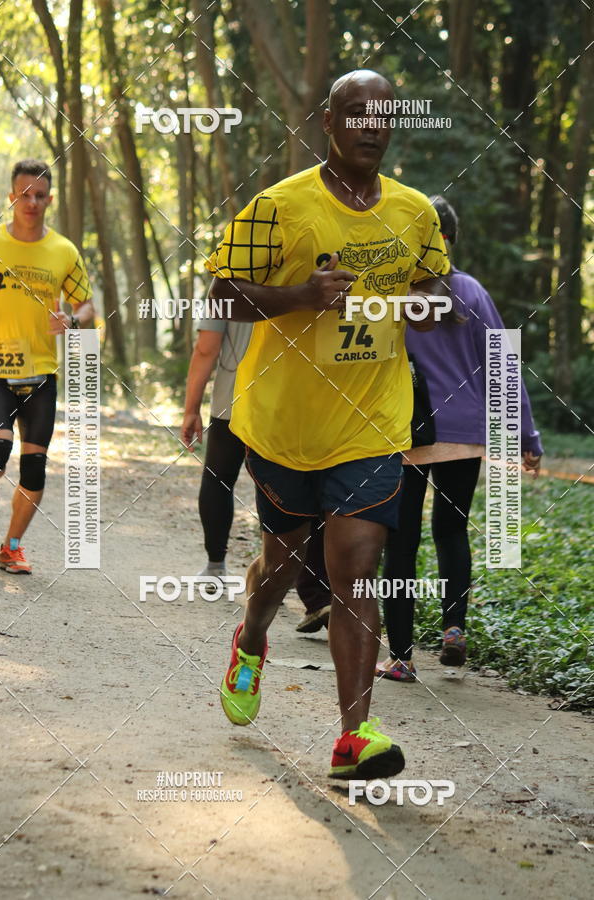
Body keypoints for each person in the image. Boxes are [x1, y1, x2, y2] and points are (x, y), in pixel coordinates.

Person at [205, 69, 451, 780]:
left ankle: (354, 739)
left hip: (372, 422)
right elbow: (221, 296)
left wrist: (422, 306)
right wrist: (300, 296)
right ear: (328, 123)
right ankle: (251, 640)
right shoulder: (279, 206)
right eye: (356, 113)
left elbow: (434, 284)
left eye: (383, 115)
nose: (371, 126)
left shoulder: (414, 213)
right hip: (285, 425)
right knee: (280, 571)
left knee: (355, 570)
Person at [376, 195, 543, 682]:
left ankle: (403, 658)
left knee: (400, 544)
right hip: (465, 437)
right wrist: (526, 436)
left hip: (407, 433)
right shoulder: (471, 291)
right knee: (451, 532)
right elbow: (505, 367)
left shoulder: (394, 291)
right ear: (452, 239)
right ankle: (453, 628)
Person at [0, 159, 94, 574]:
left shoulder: (64, 251)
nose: (31, 202)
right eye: (23, 194)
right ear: (11, 196)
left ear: (49, 200)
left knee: (34, 468)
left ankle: (12, 547)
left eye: (39, 195)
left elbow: (88, 304)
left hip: (41, 376)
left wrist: (71, 319)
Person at [181, 315, 252, 580]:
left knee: (219, 479)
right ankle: (279, 571)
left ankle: (215, 567)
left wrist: (191, 409)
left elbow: (206, 348)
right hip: (291, 401)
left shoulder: (226, 276)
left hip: (233, 398)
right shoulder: (305, 273)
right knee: (282, 483)